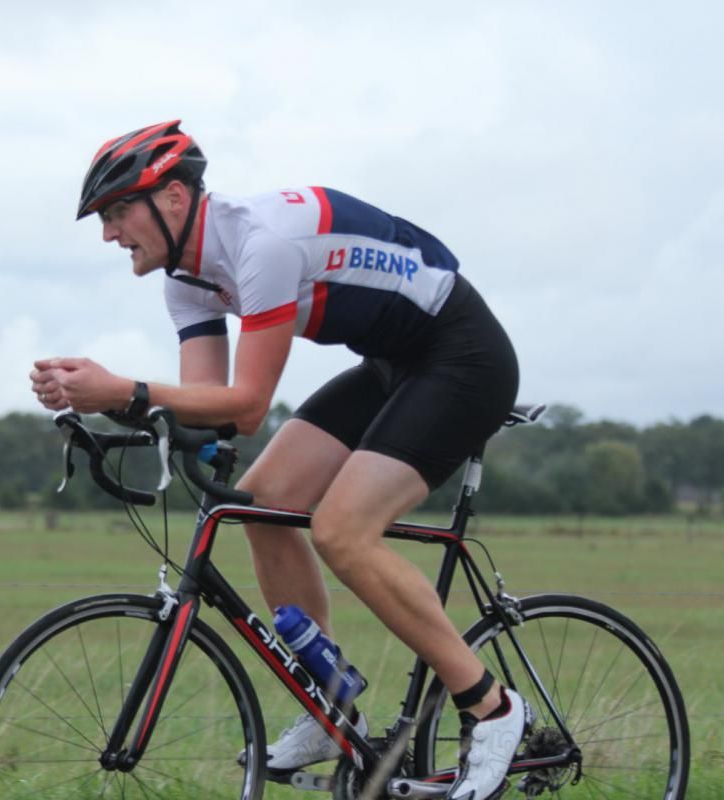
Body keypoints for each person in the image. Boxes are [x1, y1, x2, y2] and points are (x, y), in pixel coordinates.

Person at [30, 120, 526, 800]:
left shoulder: (261, 247)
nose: (110, 233)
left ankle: (493, 706)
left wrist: (122, 388)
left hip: (462, 357)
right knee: (262, 507)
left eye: (118, 212)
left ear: (174, 198)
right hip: (393, 366)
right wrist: (110, 409)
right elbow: (207, 407)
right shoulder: (186, 277)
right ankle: (331, 707)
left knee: (342, 531)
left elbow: (247, 406)